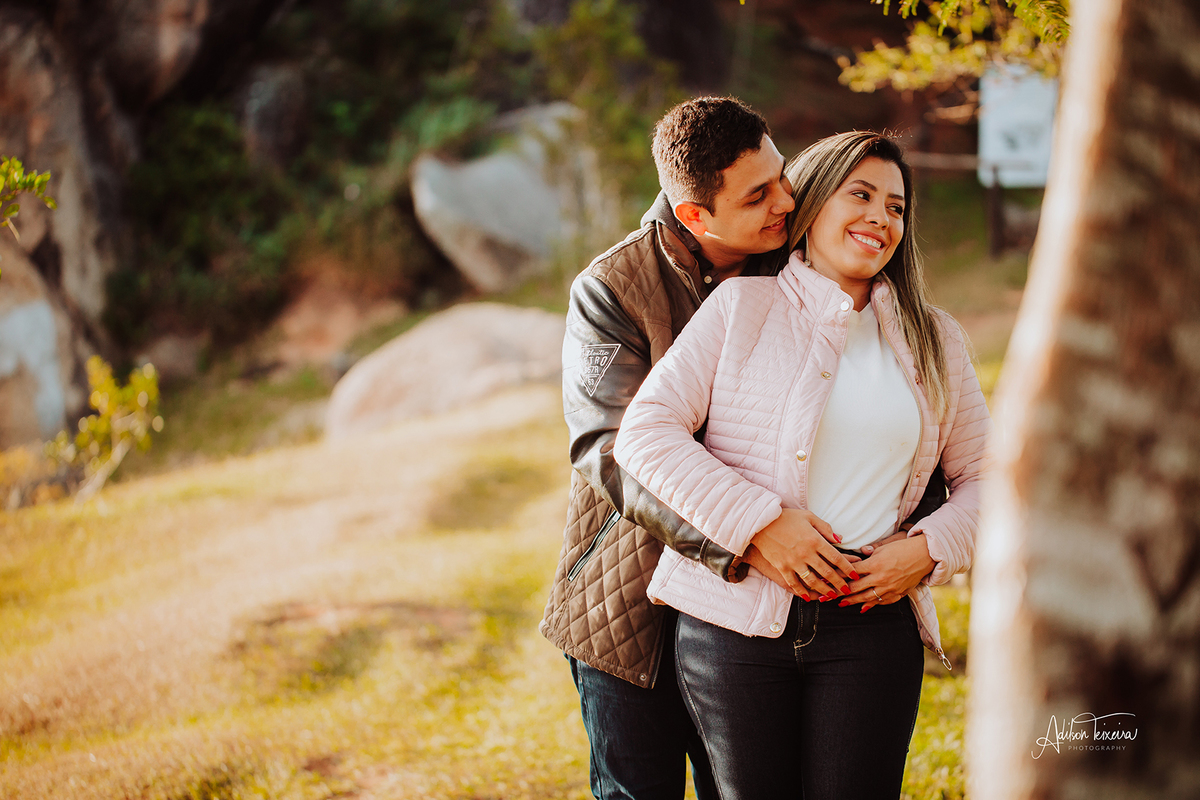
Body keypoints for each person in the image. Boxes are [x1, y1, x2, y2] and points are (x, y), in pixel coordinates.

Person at [539, 99, 947, 800]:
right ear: (698, 215)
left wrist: (921, 536)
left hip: (776, 602)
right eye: (758, 195)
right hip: (633, 583)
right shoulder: (612, 289)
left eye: (783, 178)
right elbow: (608, 449)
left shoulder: (796, 255)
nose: (786, 201)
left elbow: (883, 413)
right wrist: (750, 537)